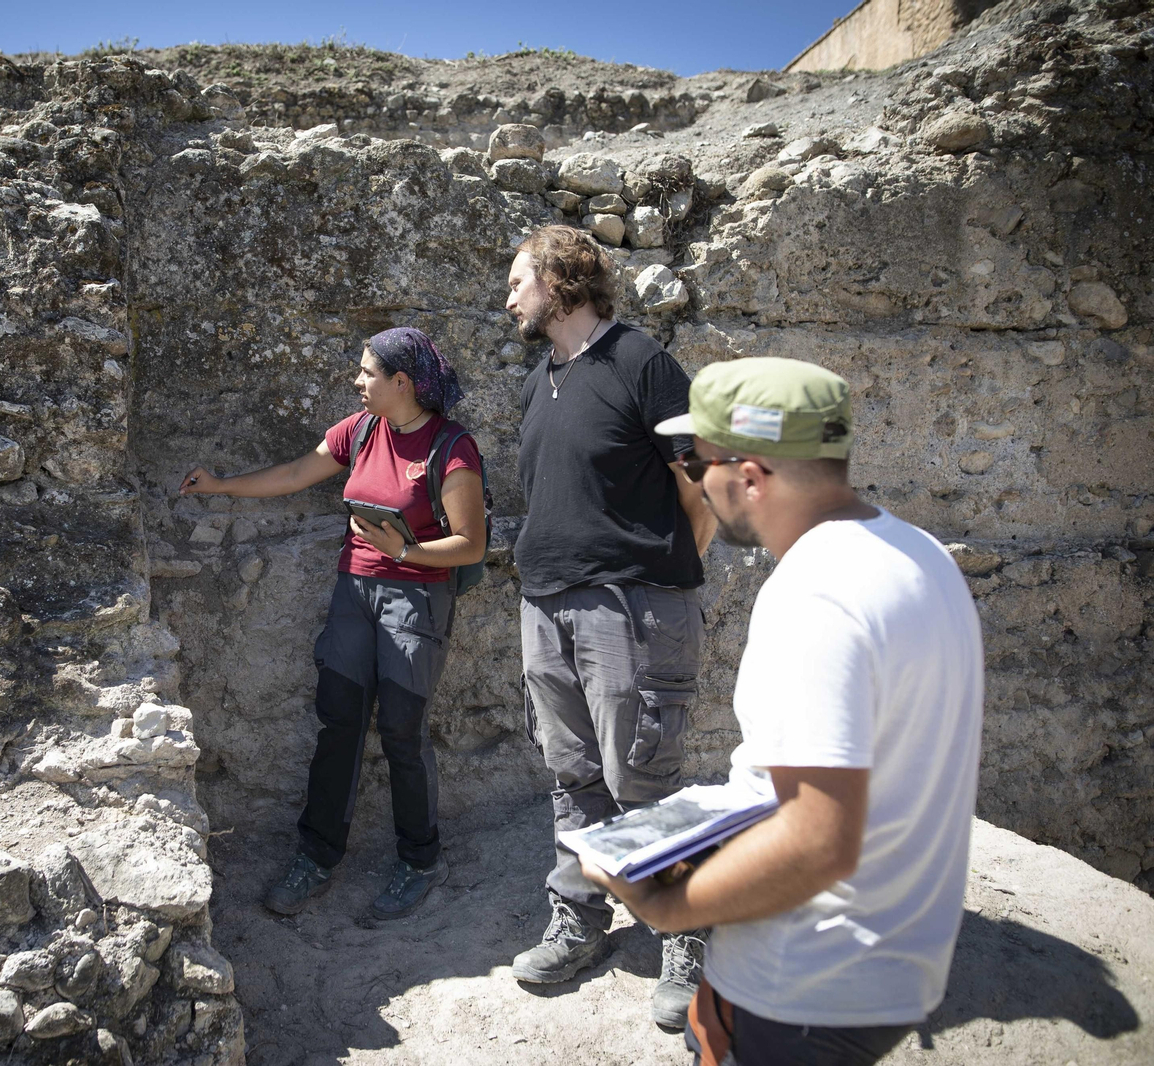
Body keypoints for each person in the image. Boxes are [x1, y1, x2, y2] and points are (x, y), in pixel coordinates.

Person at [580, 356, 985, 1066]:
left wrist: (670, 909)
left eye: (692, 458)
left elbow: (819, 838)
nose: (694, 480)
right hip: (894, 965)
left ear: (750, 474)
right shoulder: (919, 554)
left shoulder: (815, 595)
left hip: (802, 985)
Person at [180, 327, 486, 920]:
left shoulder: (451, 447)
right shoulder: (361, 429)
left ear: (403, 383)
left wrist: (405, 552)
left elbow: (470, 545)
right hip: (354, 591)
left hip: (416, 601)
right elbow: (296, 473)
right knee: (338, 723)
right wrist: (221, 486)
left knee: (402, 731)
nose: (358, 381)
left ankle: (420, 861)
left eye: (368, 373)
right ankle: (316, 857)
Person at [504, 224, 718, 1026]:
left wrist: (666, 584)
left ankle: (685, 936)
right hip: (546, 603)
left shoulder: (642, 363)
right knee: (572, 775)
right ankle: (581, 922)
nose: (510, 298)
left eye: (519, 281)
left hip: (630, 607)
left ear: (560, 282)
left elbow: (700, 484)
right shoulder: (538, 381)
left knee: (642, 780)